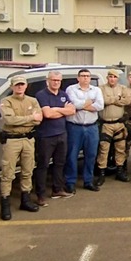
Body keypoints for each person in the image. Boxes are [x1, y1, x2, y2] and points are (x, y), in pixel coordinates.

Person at [0, 75, 42, 220]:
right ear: (11, 87)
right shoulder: (6, 101)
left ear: (26, 86)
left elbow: (39, 119)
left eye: (22, 84)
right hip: (12, 140)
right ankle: (5, 204)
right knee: (8, 173)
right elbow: (9, 120)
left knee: (27, 171)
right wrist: (30, 118)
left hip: (29, 139)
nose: (19, 87)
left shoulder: (33, 100)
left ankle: (26, 200)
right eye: (17, 85)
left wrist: (23, 121)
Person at [33, 71, 75, 207]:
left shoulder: (63, 94)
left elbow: (72, 111)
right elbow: (47, 114)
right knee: (43, 166)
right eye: (53, 80)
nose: (56, 82)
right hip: (46, 136)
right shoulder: (41, 95)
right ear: (47, 81)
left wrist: (56, 109)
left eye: (58, 80)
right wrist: (62, 110)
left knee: (59, 163)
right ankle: (40, 195)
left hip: (62, 134)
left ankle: (57, 190)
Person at [65, 69, 104, 193]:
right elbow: (74, 104)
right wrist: (89, 104)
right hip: (74, 127)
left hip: (92, 127)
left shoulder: (96, 90)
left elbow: (100, 106)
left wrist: (82, 106)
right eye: (82, 76)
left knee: (91, 155)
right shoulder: (71, 89)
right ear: (78, 78)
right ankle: (70, 182)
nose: (85, 78)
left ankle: (88, 181)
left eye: (87, 76)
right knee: (72, 155)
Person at [98, 69, 131, 185]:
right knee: (104, 149)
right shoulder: (101, 88)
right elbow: (102, 101)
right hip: (106, 124)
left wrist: (111, 101)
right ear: (107, 78)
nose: (112, 79)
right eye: (110, 76)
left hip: (119, 124)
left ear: (117, 78)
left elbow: (127, 101)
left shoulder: (123, 88)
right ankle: (101, 173)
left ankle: (120, 171)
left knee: (120, 149)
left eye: (114, 77)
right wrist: (116, 99)